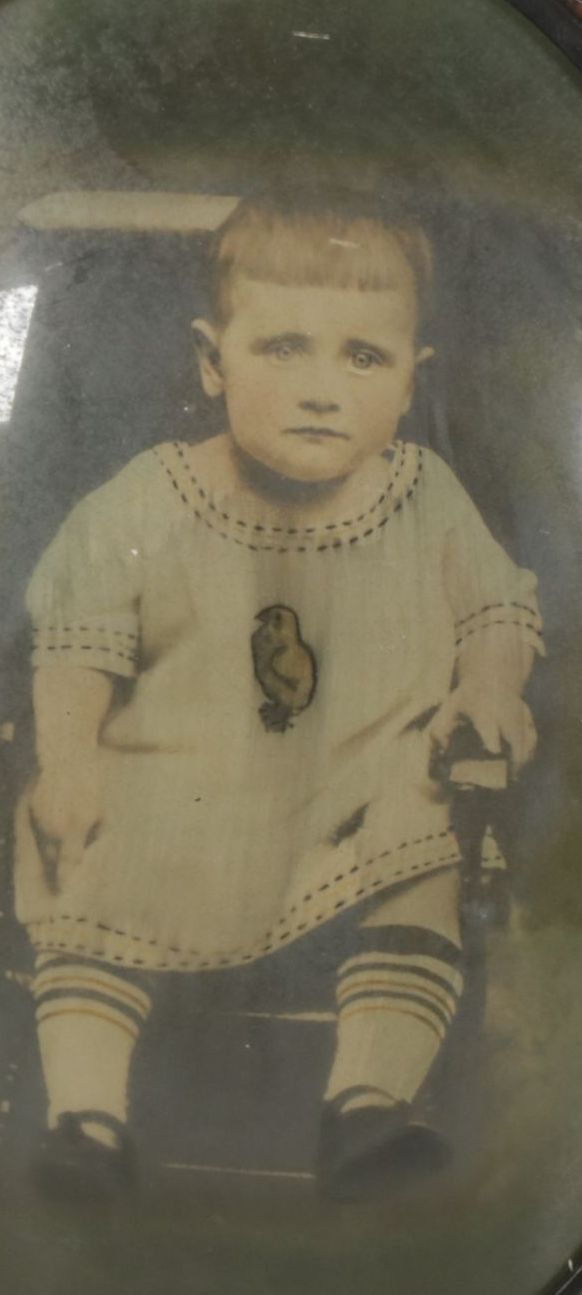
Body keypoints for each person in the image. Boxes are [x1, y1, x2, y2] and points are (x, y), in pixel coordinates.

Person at [14, 187, 544, 1200]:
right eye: (284, 348)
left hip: (353, 794)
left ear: (411, 378)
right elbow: (77, 642)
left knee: (426, 828)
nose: (322, 390)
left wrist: (486, 683)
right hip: (177, 793)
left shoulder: (425, 497)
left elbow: (498, 608)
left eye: (363, 357)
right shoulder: (149, 498)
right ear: (213, 360)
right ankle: (87, 1117)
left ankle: (368, 1103)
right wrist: (71, 761)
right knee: (77, 855)